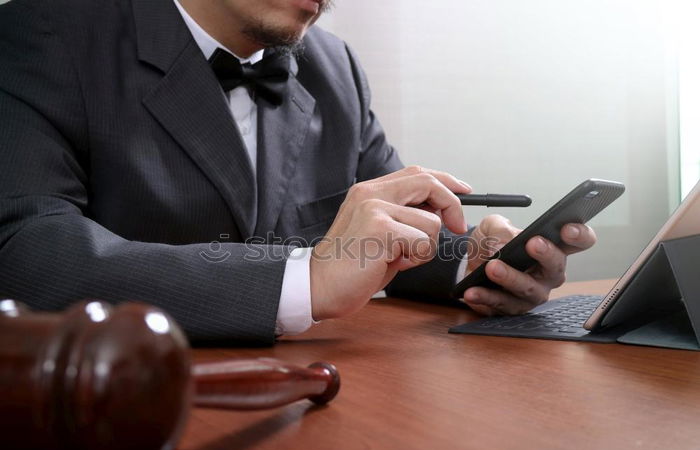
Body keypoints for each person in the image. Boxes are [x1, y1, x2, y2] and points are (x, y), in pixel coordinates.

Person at [0, 0, 596, 343]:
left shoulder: (333, 65)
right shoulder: (40, 33)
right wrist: (305, 280)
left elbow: (379, 235)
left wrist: (475, 262)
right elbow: (24, 253)